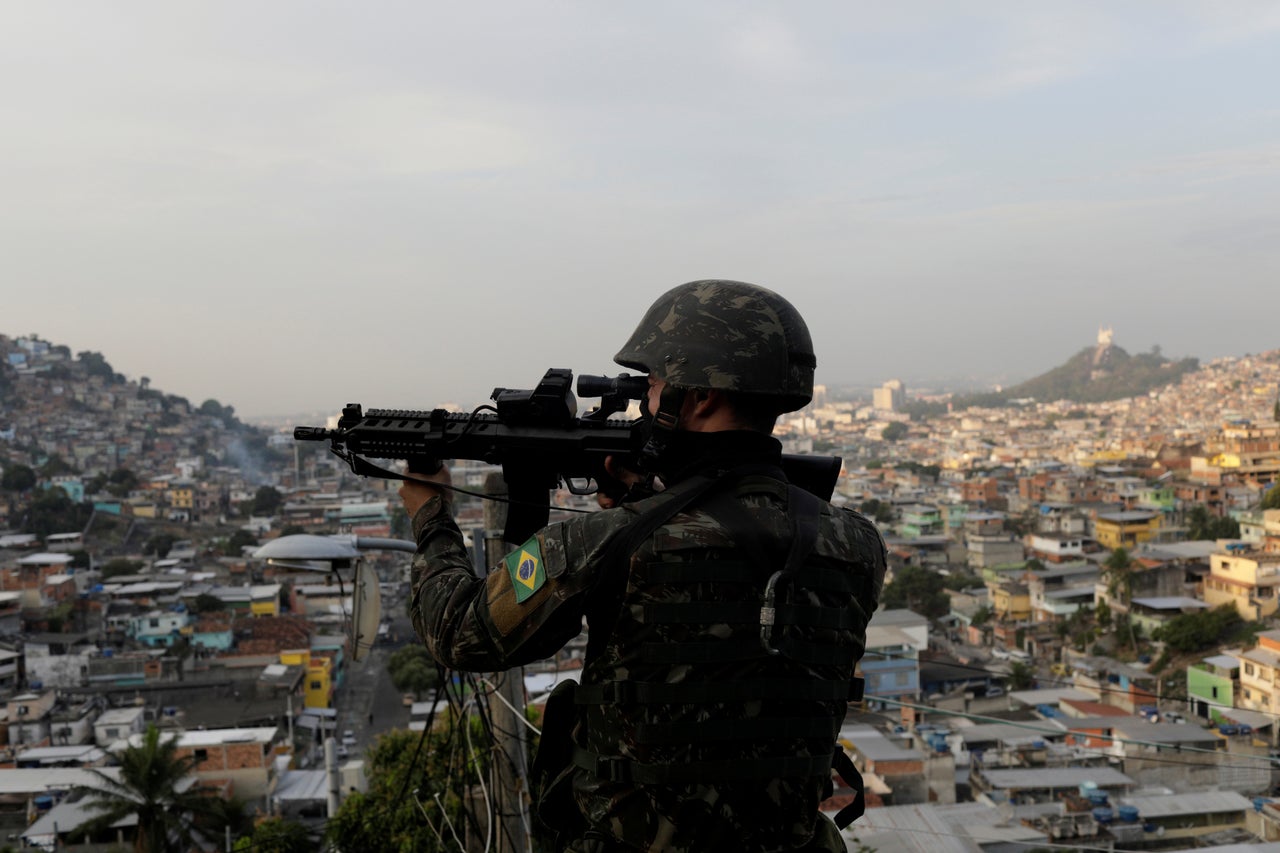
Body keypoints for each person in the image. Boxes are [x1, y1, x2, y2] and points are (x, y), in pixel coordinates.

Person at [400, 280, 887, 852]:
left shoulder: (606, 542)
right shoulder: (857, 544)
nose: (643, 401)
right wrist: (657, 498)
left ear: (700, 398)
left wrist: (429, 511)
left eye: (653, 385)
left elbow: (460, 632)